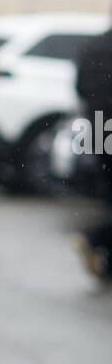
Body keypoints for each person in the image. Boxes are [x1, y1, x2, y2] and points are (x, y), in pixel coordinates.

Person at [73, 21, 112, 280]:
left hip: (98, 129)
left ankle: (108, 265)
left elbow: (80, 88)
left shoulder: (92, 45)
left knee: (109, 193)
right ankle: (95, 238)